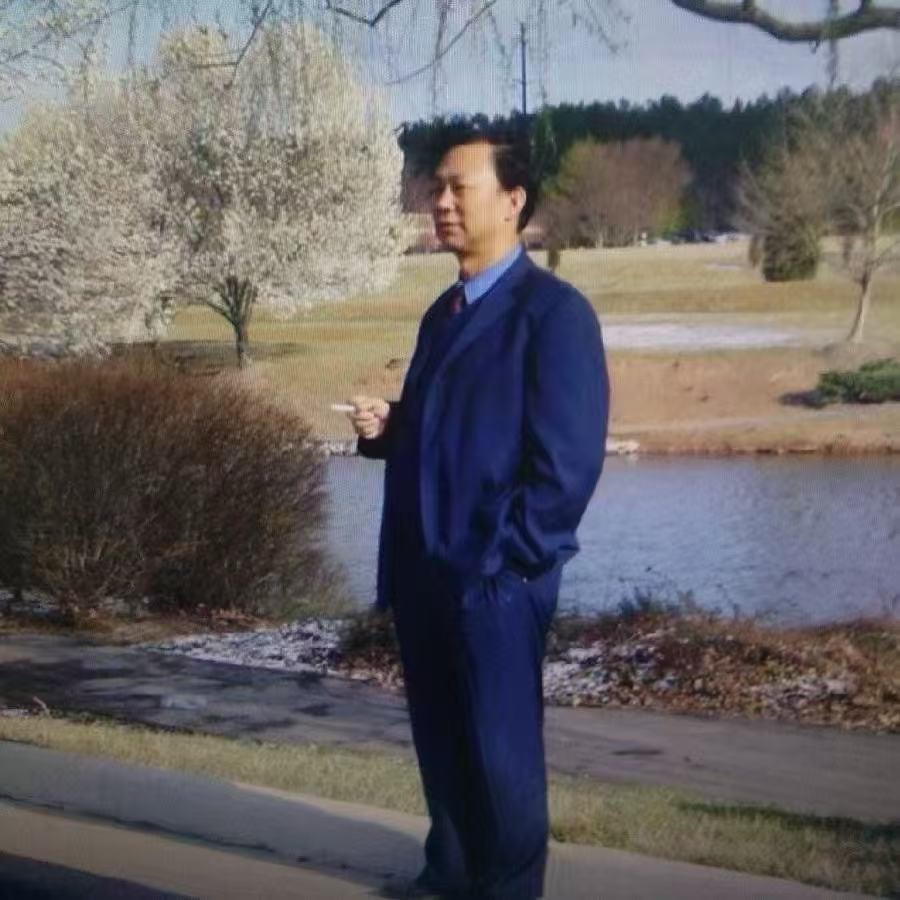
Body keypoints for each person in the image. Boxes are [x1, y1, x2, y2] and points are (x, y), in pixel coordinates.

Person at [346, 123, 610, 899]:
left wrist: (508, 562)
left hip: (495, 579)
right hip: (424, 572)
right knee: (442, 742)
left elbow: (567, 465)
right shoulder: (444, 313)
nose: (441, 202)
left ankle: (507, 890)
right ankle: (449, 875)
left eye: (460, 188)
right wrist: (390, 428)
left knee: (501, 757)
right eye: (437, 188)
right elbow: (448, 431)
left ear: (512, 200)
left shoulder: (554, 315)